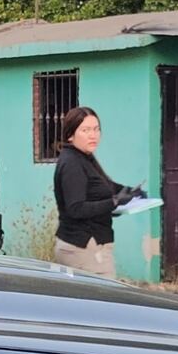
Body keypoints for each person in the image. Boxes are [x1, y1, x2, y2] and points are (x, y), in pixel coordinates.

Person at [52, 107, 144, 278]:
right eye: (85, 130)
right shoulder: (72, 163)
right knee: (105, 302)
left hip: (89, 246)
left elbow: (105, 186)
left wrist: (131, 192)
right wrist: (114, 201)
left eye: (96, 129)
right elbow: (76, 208)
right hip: (83, 248)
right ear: (70, 135)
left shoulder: (85, 157)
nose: (93, 135)